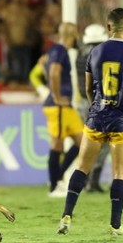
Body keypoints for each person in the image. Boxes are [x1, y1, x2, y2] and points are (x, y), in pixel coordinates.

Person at [57, 8, 123, 236]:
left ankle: (66, 217)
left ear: (108, 27)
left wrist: (96, 108)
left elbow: (88, 88)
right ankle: (115, 225)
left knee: (82, 168)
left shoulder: (95, 52)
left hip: (97, 117)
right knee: (119, 173)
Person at [43, 22, 84, 198]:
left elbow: (42, 64)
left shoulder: (54, 50)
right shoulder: (60, 50)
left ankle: (57, 176)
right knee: (57, 145)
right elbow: (53, 72)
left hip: (66, 107)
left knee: (82, 142)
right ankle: (54, 186)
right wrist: (57, 95)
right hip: (58, 105)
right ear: (72, 35)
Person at [76, 24, 110, 193]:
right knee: (105, 143)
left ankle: (85, 180)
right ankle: (93, 180)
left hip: (83, 103)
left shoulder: (80, 56)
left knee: (88, 143)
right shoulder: (102, 56)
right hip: (99, 104)